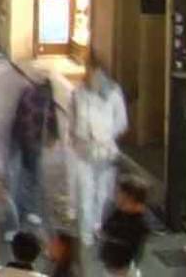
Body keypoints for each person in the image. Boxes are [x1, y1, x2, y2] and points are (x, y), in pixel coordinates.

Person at [69, 61, 129, 238]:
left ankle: (98, 225)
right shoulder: (78, 94)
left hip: (105, 152)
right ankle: (86, 233)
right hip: (83, 151)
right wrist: (75, 137)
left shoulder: (113, 94)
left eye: (95, 73)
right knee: (85, 193)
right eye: (89, 73)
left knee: (103, 193)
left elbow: (121, 121)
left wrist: (106, 136)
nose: (92, 77)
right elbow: (72, 120)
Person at [9, 70, 60, 227]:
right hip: (31, 142)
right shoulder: (44, 98)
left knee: (21, 176)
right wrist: (53, 136)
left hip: (21, 139)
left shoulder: (26, 93)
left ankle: (18, 211)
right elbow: (50, 118)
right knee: (32, 176)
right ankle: (29, 211)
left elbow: (19, 117)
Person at [97, 178, 152, 275]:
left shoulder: (139, 224)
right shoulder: (119, 212)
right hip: (112, 266)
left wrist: (106, 234)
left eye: (123, 199)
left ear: (136, 203)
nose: (118, 200)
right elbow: (107, 227)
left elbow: (126, 244)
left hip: (122, 268)